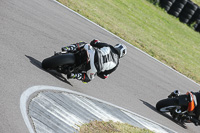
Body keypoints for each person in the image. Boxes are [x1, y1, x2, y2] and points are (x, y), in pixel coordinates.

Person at [61, 39, 127, 83]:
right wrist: (98, 71)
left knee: (84, 44)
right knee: (89, 78)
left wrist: (95, 41)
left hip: (92, 54)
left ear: (116, 46)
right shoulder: (116, 64)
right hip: (95, 67)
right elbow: (104, 76)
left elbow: (94, 42)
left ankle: (69, 48)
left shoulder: (109, 46)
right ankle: (75, 75)